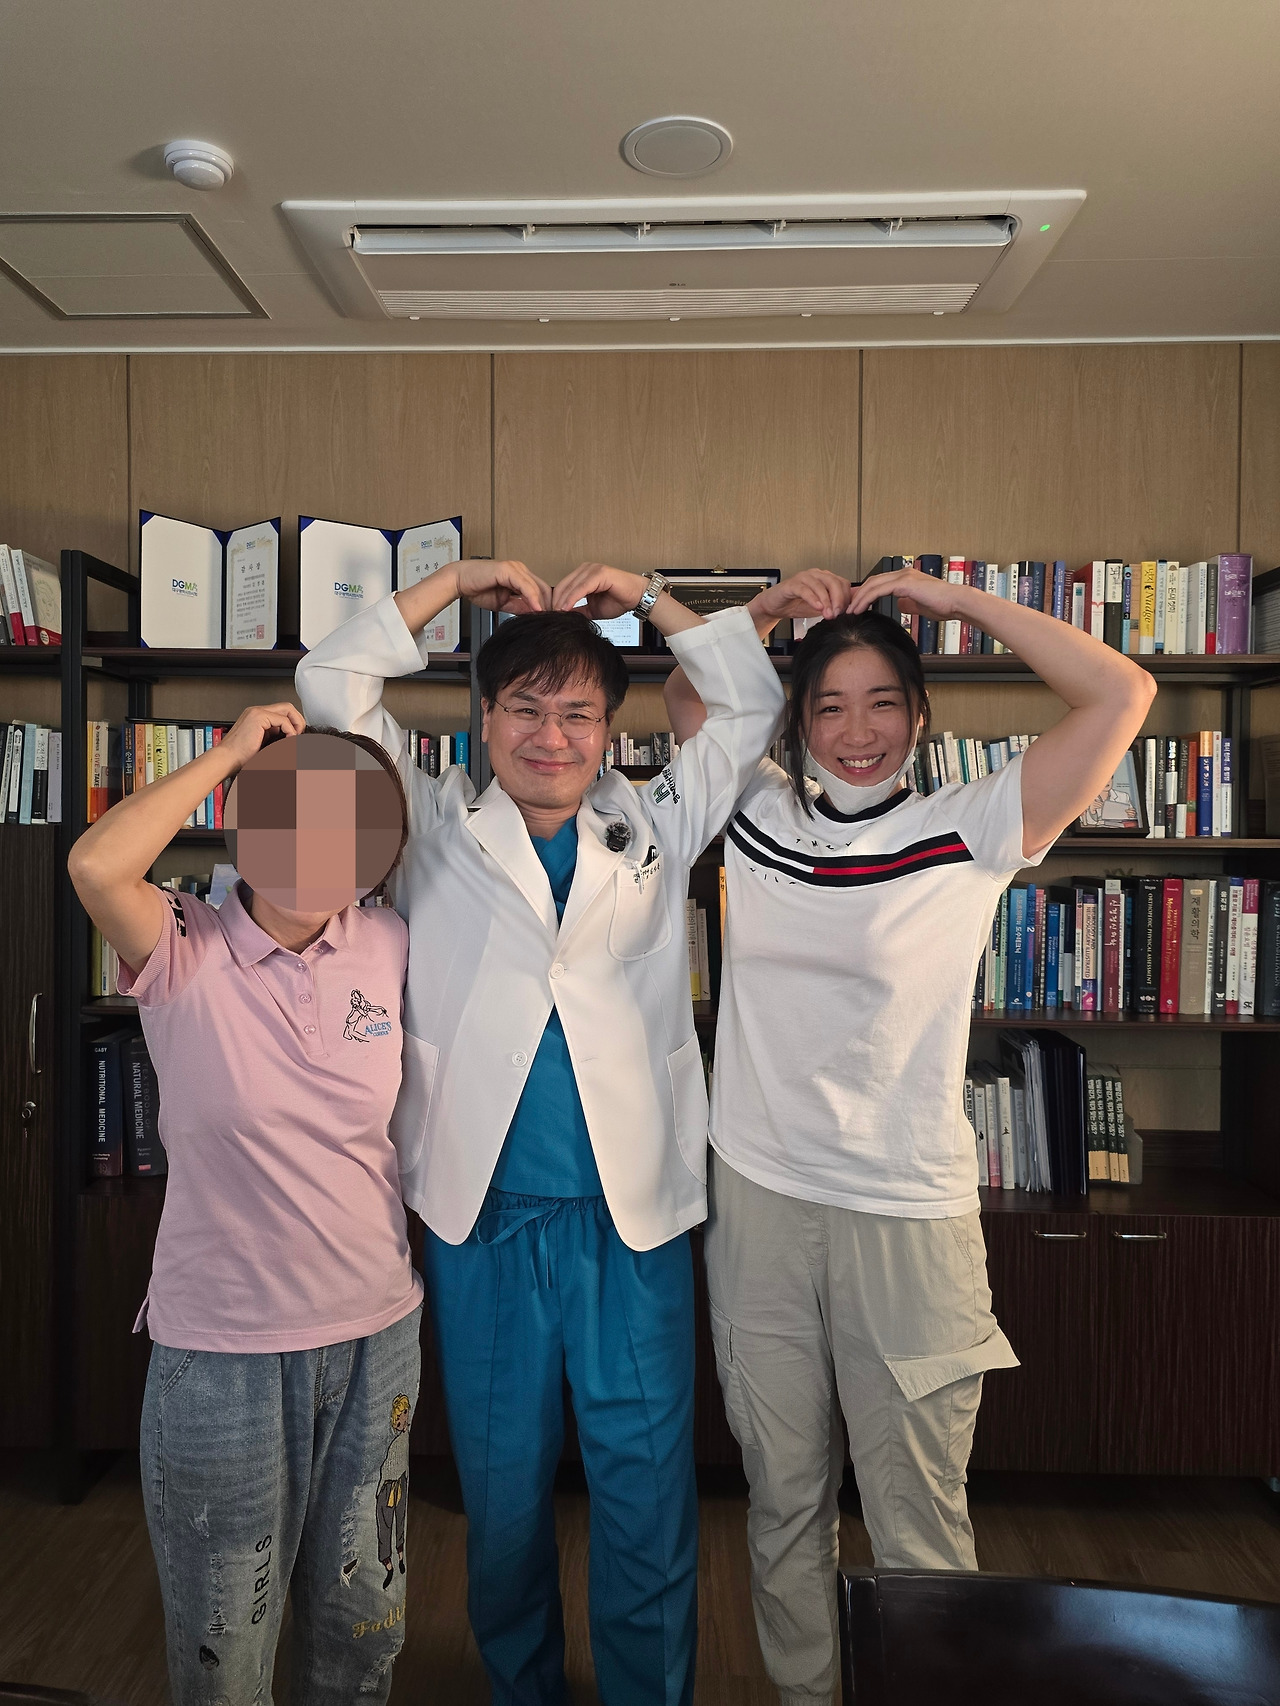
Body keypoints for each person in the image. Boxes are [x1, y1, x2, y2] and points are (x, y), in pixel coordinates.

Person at [296, 559, 833, 1706]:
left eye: (578, 712)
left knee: (645, 1487)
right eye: (525, 708)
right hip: (482, 1215)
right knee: (499, 1489)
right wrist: (455, 579)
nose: (551, 735)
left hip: (628, 1220)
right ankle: (522, 1684)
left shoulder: (653, 818)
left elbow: (745, 704)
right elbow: (329, 680)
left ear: (607, 729)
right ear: (483, 718)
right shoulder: (428, 816)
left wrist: (647, 597)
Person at [665, 564, 1156, 1706]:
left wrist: (963, 605)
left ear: (920, 714)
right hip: (758, 1199)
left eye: (882, 702)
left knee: (917, 1516)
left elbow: (1121, 693)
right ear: (796, 719)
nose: (856, 731)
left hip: (906, 1214)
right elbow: (693, 695)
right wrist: (764, 615)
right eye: (828, 705)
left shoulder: (974, 822)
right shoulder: (757, 809)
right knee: (783, 1497)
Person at [68, 711, 422, 1706]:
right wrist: (228, 756)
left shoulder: (387, 940)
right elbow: (95, 865)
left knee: (363, 1634)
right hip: (225, 1349)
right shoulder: (182, 939)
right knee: (227, 1653)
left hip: (377, 1333)